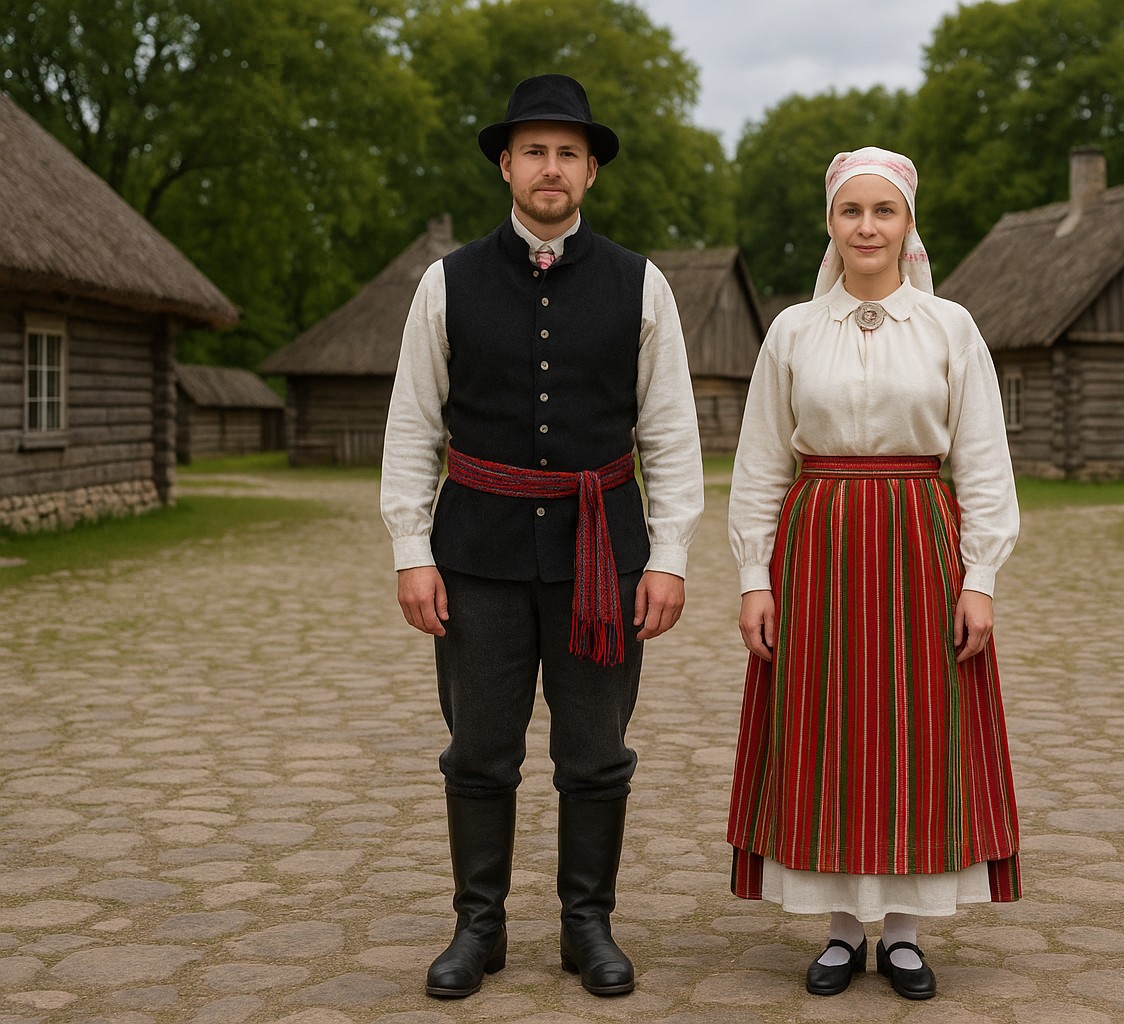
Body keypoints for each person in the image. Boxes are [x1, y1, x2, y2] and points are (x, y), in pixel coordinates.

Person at [381, 73, 704, 1000]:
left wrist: (671, 557)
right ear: (505, 166)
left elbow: (673, 433)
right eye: (533, 151)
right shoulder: (444, 283)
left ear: (592, 171)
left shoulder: (645, 285)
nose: (550, 167)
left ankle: (585, 925)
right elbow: (411, 425)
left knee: (596, 754)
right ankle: (477, 928)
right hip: (474, 554)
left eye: (568, 152)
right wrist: (411, 549)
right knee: (479, 750)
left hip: (604, 557)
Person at [725, 147, 1021, 1001]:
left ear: (906, 224)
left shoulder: (949, 327)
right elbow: (758, 465)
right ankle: (839, 928)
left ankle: (902, 933)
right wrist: (755, 575)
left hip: (921, 544)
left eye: (882, 211)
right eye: (851, 211)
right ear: (831, 223)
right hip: (814, 548)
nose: (867, 226)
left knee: (916, 732)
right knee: (827, 728)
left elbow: (984, 460)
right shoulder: (790, 331)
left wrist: (980, 576)